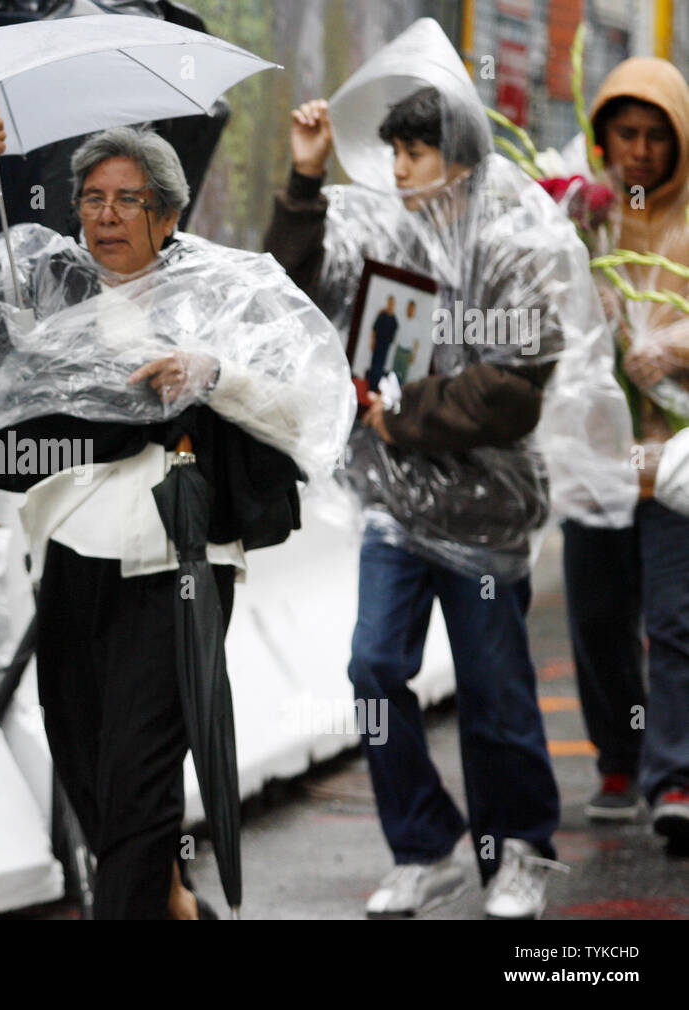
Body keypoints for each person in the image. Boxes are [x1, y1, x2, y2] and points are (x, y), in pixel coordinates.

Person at [0, 102, 351, 918]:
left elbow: (304, 415)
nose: (107, 217)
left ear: (171, 214)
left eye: (130, 200)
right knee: (86, 769)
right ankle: (175, 904)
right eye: (92, 199)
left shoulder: (221, 292)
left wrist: (213, 374)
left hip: (180, 563)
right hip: (72, 559)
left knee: (141, 784)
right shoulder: (45, 286)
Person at [265, 18, 626, 919]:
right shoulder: (382, 238)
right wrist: (306, 176)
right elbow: (292, 284)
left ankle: (520, 852)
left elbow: (514, 391)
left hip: (488, 517)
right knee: (375, 669)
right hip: (395, 509)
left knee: (495, 692)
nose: (398, 173)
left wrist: (406, 415)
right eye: (393, 156)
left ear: (458, 159)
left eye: (415, 155)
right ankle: (424, 844)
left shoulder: (518, 248)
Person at [561, 57, 689, 838]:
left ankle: (674, 776)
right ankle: (619, 755)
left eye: (656, 137)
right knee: (598, 616)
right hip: (599, 457)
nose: (639, 151)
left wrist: (673, 348)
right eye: (625, 133)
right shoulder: (584, 217)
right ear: (602, 134)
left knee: (675, 619)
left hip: (675, 461)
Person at [365, 295, 399, 391]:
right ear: (387, 303)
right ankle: (370, 387)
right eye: (389, 302)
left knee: (380, 366)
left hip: (385, 346)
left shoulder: (394, 320)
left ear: (394, 304)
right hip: (377, 344)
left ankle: (376, 387)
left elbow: (394, 334)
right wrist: (372, 341)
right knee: (374, 364)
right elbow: (374, 329)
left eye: (392, 303)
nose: (390, 304)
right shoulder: (381, 315)